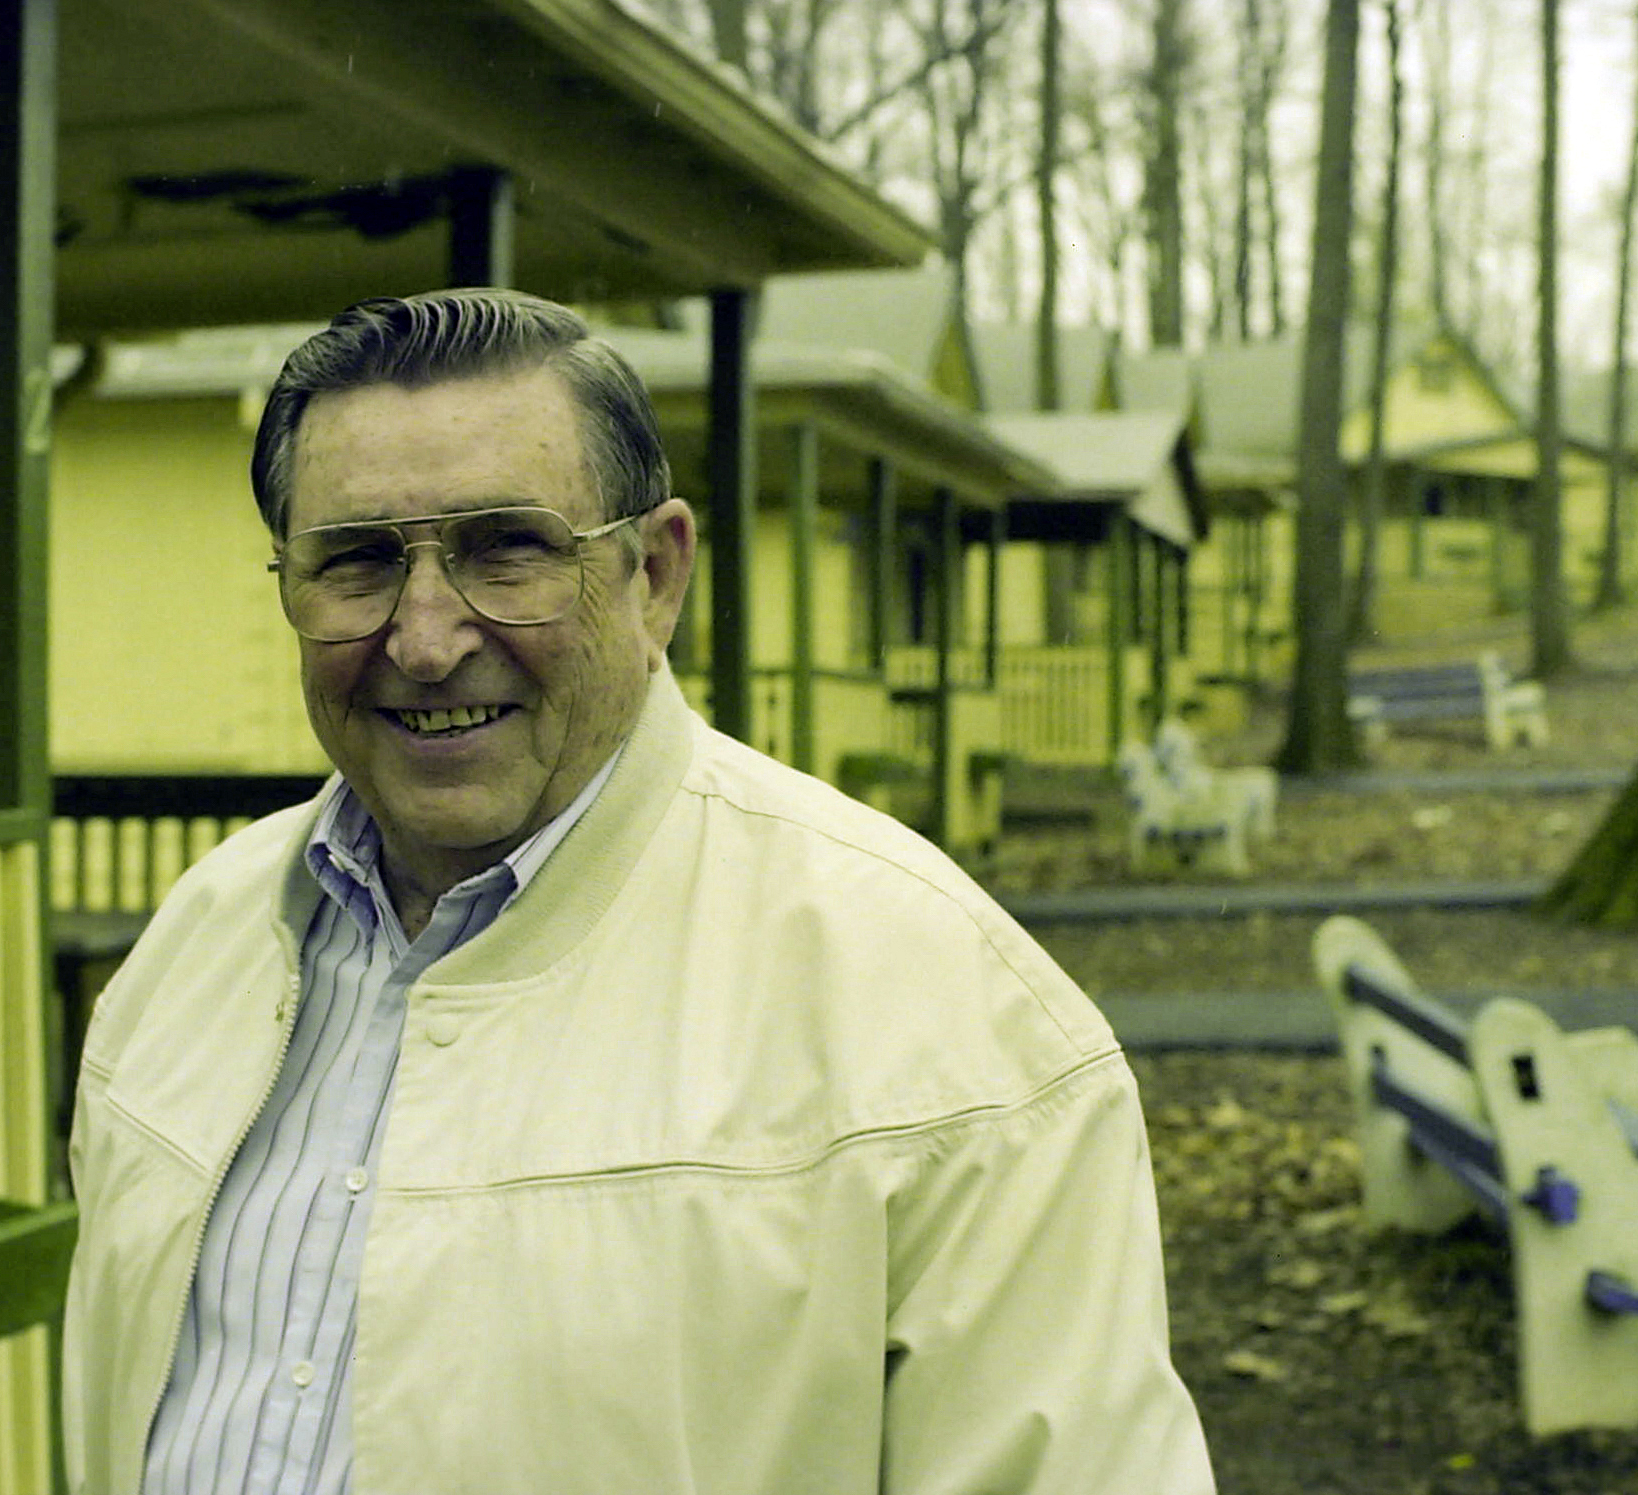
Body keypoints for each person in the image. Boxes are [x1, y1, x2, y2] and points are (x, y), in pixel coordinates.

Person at [60, 288, 1214, 1493]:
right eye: (355, 561)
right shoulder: (197, 946)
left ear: (654, 575)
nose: (424, 638)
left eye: (506, 549)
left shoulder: (943, 1017)